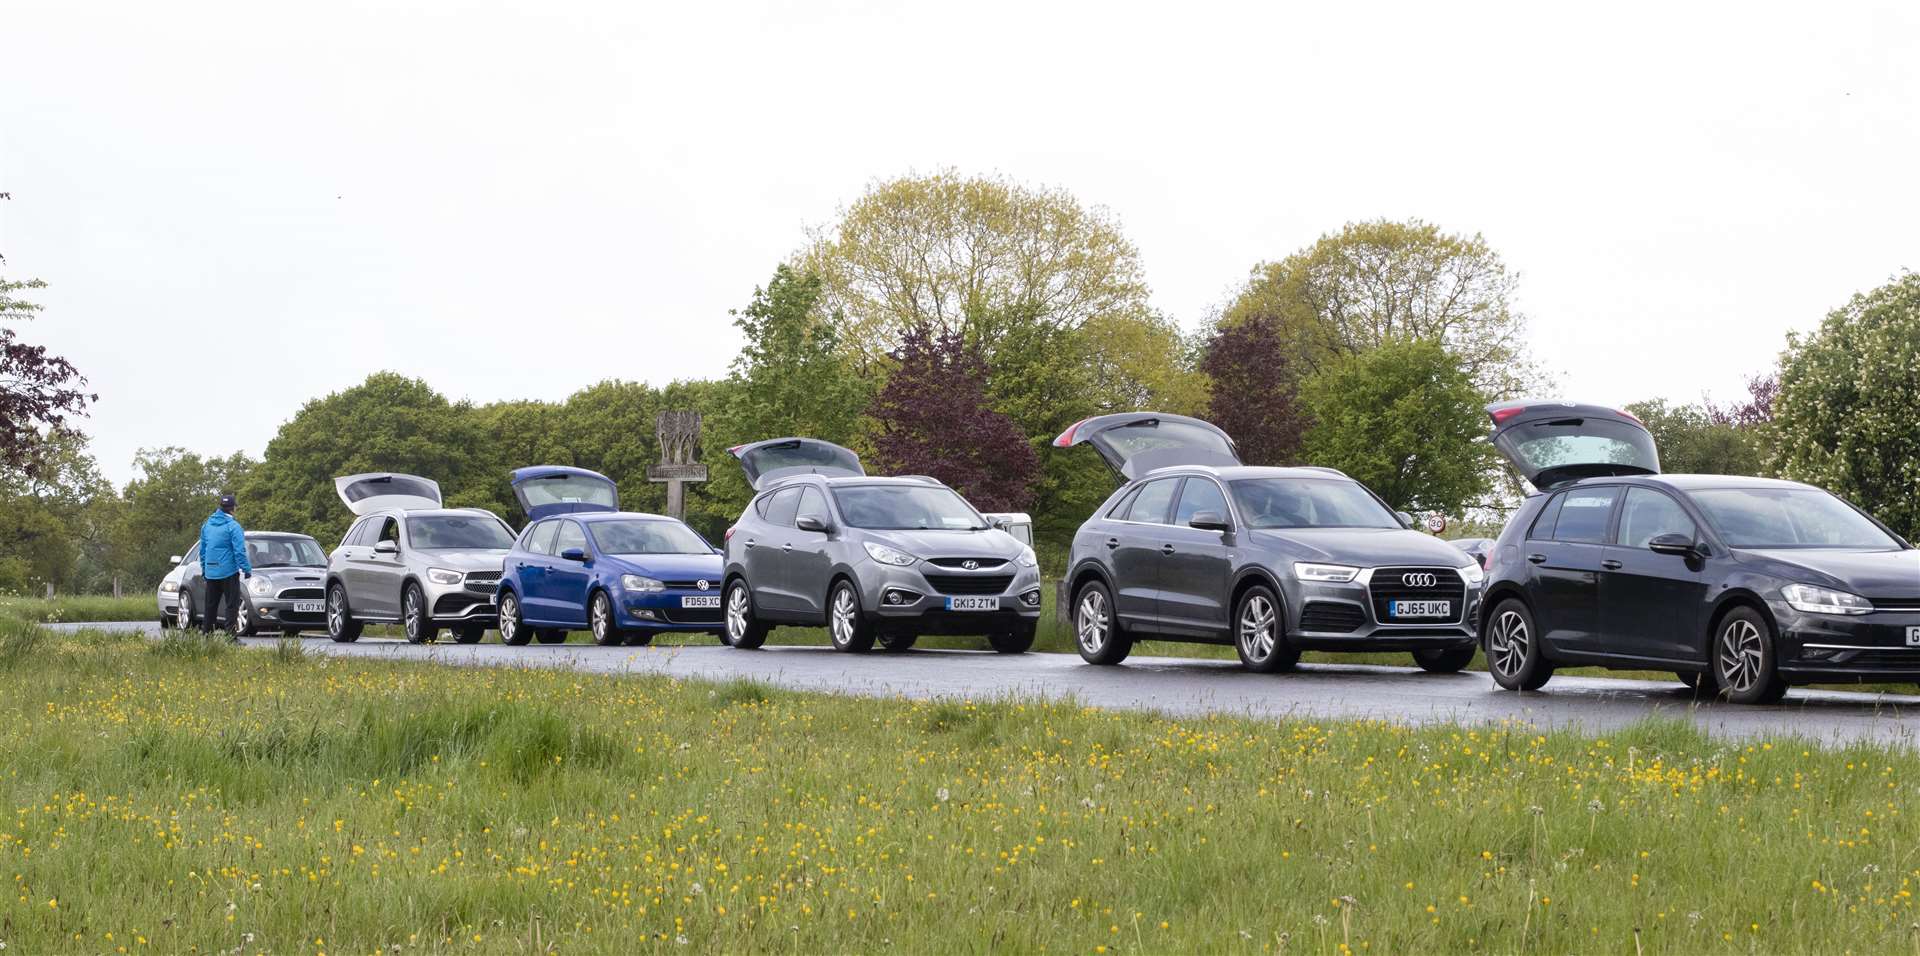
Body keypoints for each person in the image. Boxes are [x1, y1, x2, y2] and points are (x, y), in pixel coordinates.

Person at [198, 493, 253, 641]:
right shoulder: (233, 526)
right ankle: (230, 637)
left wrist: (204, 569)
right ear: (233, 508)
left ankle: (207, 636)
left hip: (211, 572)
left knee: (210, 605)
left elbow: (202, 550)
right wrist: (246, 569)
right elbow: (239, 551)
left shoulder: (207, 525)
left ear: (220, 507)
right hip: (228, 572)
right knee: (231, 605)